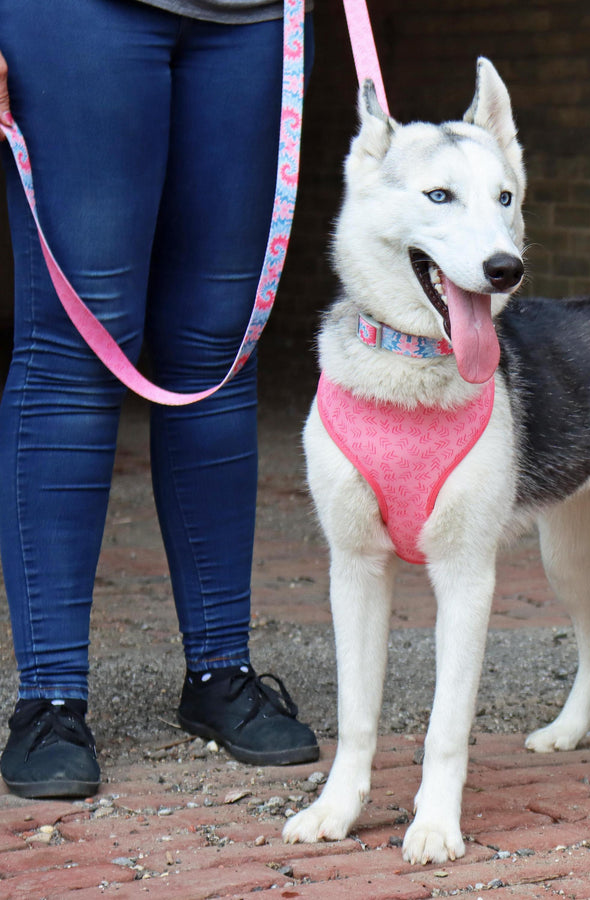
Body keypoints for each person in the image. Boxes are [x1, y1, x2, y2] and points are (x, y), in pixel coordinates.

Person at [0, 0, 318, 800]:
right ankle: (50, 699)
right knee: (77, 340)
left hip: (252, 19)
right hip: (73, 16)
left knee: (217, 343)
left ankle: (220, 670)